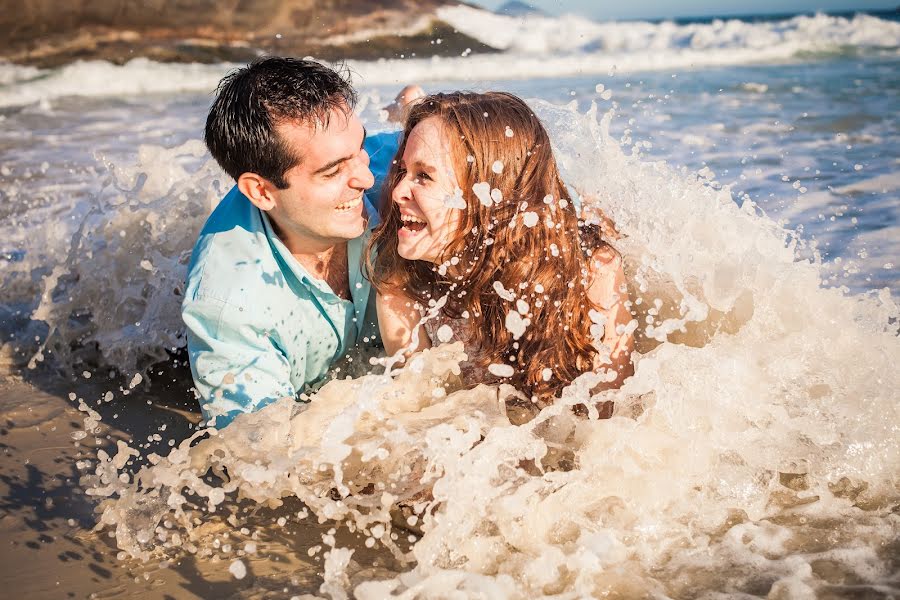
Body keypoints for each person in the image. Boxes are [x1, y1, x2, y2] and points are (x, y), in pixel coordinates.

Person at [182, 56, 420, 428]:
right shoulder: (231, 310)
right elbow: (264, 456)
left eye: (357, 147)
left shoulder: (385, 167)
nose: (365, 178)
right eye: (333, 170)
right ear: (261, 191)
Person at [368, 91, 634, 408]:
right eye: (405, 172)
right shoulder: (400, 288)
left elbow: (611, 412)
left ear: (484, 195)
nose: (399, 191)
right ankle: (409, 111)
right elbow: (423, 415)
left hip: (541, 214)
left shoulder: (592, 268)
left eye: (424, 176)